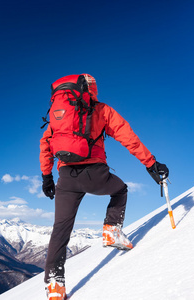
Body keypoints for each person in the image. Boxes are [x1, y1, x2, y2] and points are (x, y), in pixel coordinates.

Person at [40, 74, 169, 300]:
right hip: (95, 174)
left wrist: (46, 177)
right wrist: (151, 163)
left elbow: (45, 144)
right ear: (92, 89)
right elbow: (128, 136)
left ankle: (54, 284)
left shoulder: (58, 115)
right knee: (120, 190)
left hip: (66, 177)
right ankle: (111, 232)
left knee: (60, 229)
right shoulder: (101, 110)